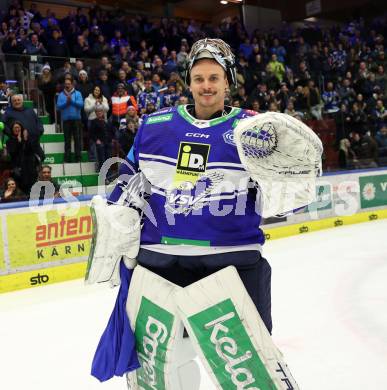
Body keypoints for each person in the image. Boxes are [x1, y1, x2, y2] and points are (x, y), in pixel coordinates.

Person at [5, 121, 40, 195]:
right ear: (12, 129)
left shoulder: (27, 140)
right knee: (21, 190)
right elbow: (13, 153)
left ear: (21, 128)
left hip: (29, 169)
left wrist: (25, 140)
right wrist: (19, 142)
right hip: (18, 171)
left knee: (32, 190)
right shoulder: (9, 141)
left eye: (18, 127)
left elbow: (31, 151)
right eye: (15, 127)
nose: (17, 129)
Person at [57, 76, 84, 163]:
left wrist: (71, 101)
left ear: (72, 84)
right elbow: (58, 107)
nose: (67, 85)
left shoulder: (78, 93)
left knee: (77, 139)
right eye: (66, 84)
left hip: (76, 120)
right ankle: (67, 158)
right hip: (66, 120)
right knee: (67, 140)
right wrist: (66, 103)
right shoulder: (61, 95)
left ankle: (78, 158)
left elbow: (81, 105)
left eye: (69, 84)